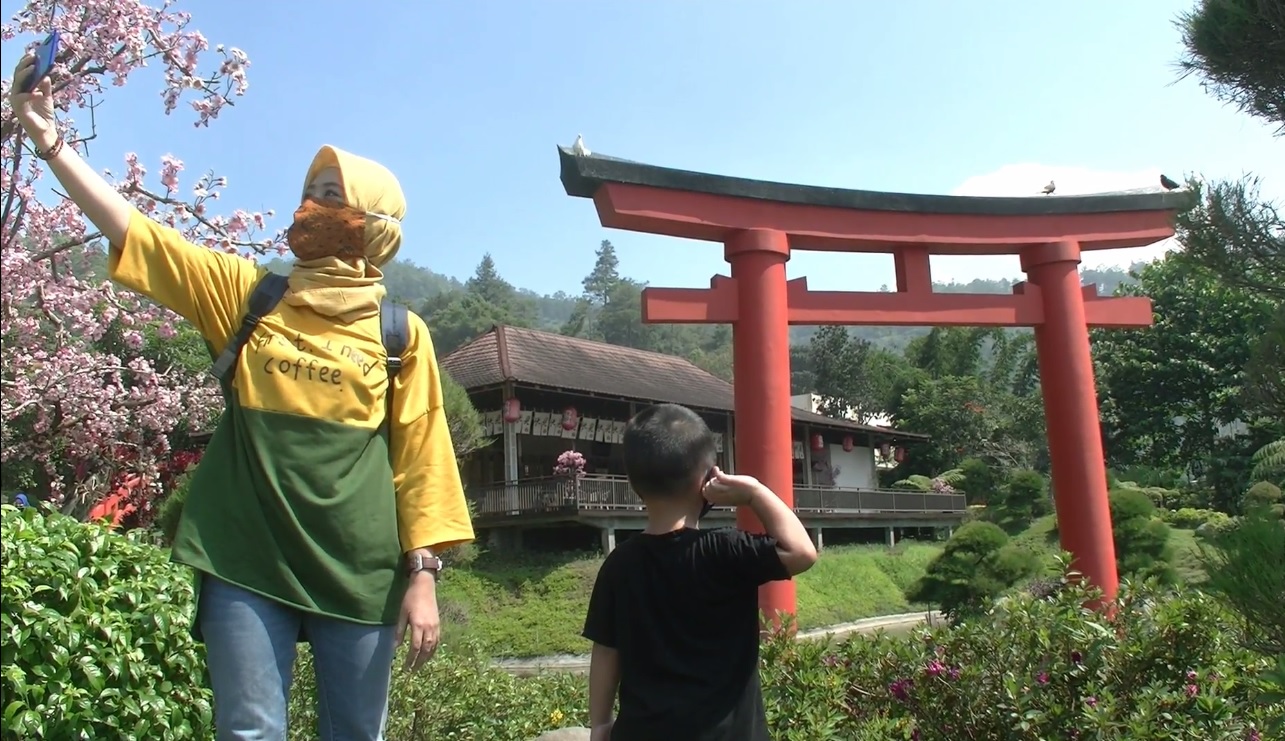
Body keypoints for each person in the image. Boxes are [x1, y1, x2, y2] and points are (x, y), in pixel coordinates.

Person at [10, 55, 475, 740]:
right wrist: (48, 138)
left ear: (372, 223)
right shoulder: (248, 297)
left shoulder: (400, 333)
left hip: (359, 569)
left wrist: (424, 574)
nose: (310, 206)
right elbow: (138, 233)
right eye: (310, 191)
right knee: (249, 730)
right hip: (245, 557)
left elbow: (423, 459)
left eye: (331, 195)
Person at [582, 403, 819, 741]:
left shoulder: (619, 564)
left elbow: (606, 651)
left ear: (635, 484)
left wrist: (600, 725)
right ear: (709, 479)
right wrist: (753, 492)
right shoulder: (725, 550)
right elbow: (802, 552)